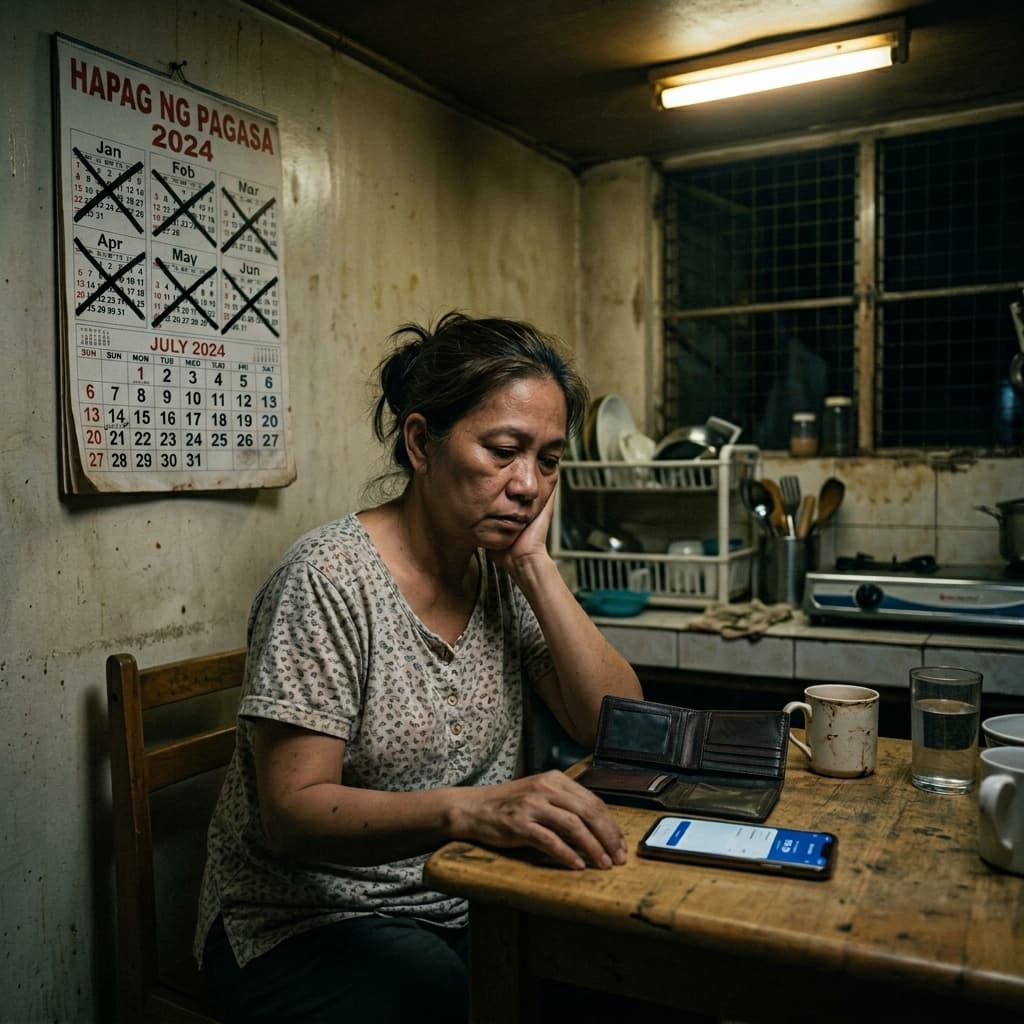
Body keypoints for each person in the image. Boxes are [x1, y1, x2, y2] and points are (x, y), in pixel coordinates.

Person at [194, 311, 642, 1022]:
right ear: (420, 443)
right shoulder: (329, 579)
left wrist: (536, 565)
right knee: (459, 1007)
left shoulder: (498, 570)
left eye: (549, 460)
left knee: (635, 982)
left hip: (471, 901)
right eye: (503, 450)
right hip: (309, 921)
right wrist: (470, 811)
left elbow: (615, 726)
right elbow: (292, 813)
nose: (528, 484)